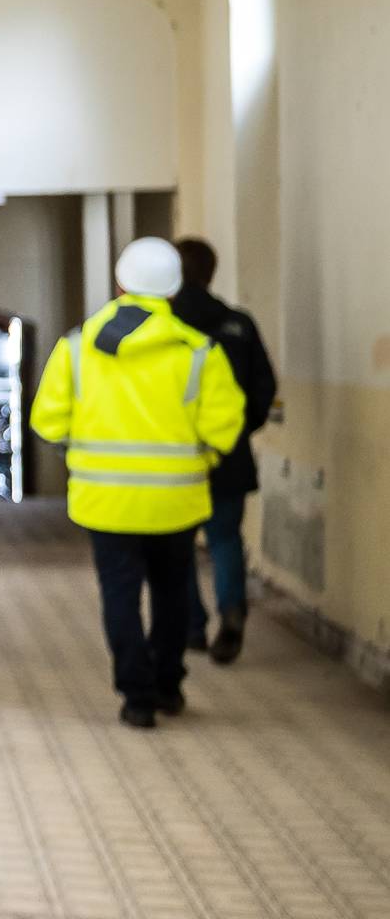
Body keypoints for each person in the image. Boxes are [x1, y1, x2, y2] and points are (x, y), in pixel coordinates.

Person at [29, 238, 246, 729]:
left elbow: (47, 423)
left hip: (104, 500)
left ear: (120, 283)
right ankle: (168, 685)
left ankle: (136, 697)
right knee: (172, 592)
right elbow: (224, 427)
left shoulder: (77, 346)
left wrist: (82, 448)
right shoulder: (198, 352)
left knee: (120, 595)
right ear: (173, 291)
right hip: (176, 500)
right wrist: (201, 457)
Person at [170, 238, 279, 664]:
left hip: (175, 456)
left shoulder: (166, 328)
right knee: (225, 540)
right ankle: (231, 612)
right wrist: (235, 430)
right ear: (212, 272)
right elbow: (263, 388)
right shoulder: (239, 324)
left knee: (177, 544)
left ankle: (192, 626)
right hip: (229, 453)